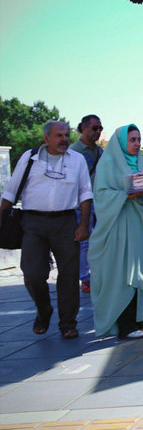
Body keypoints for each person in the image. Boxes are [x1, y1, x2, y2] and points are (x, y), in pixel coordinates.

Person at [1, 121, 92, 340]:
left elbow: (85, 194)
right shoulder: (30, 157)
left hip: (66, 222)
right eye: (58, 135)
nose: (64, 139)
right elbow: (11, 191)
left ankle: (68, 323)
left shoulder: (77, 160)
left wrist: (83, 225)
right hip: (32, 223)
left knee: (69, 277)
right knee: (32, 273)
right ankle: (44, 310)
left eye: (66, 135)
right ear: (46, 138)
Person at [90, 125, 143, 340]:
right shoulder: (108, 164)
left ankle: (142, 319)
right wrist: (126, 195)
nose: (135, 143)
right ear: (122, 142)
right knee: (123, 275)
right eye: (131, 139)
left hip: (140, 226)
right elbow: (102, 195)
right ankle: (126, 324)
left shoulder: (140, 163)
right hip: (119, 227)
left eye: (138, 139)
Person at [69, 114, 103, 293]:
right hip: (81, 204)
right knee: (84, 242)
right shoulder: (74, 152)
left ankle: (96, 275)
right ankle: (86, 278)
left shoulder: (99, 151)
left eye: (100, 128)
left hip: (100, 202)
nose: (98, 132)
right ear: (84, 128)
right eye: (94, 128)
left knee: (98, 241)